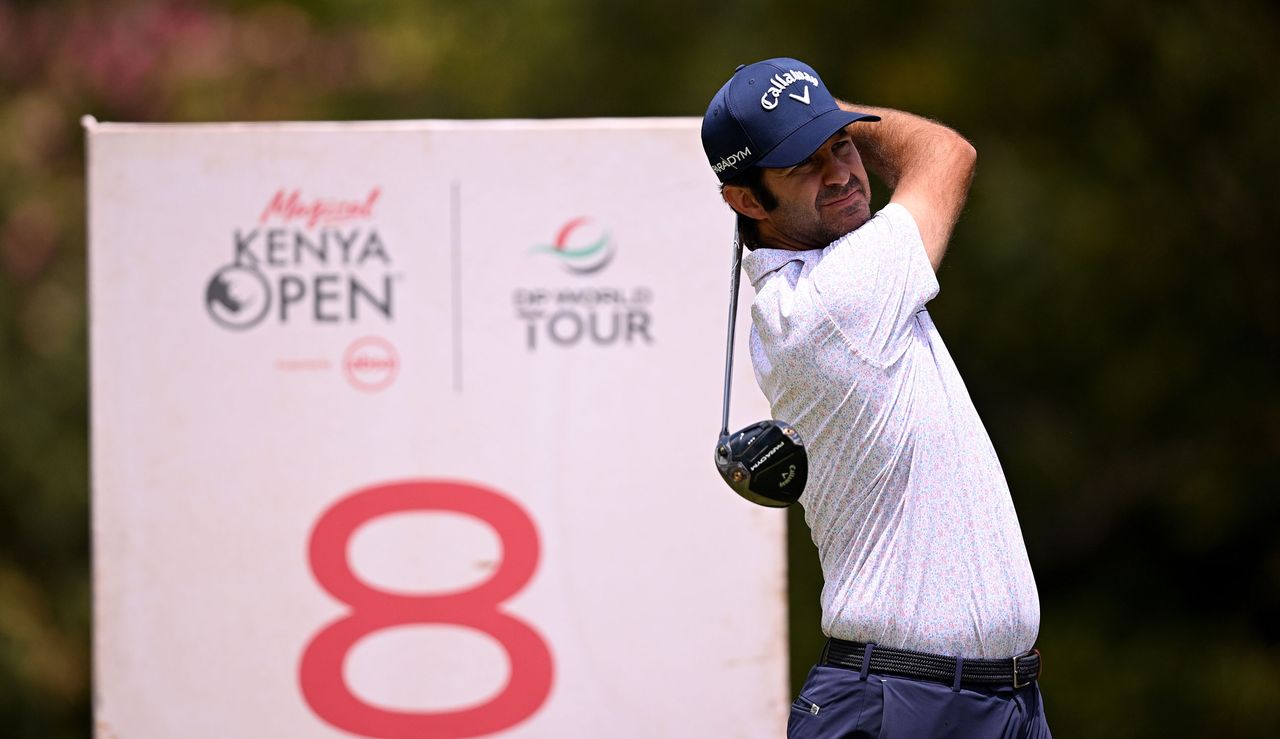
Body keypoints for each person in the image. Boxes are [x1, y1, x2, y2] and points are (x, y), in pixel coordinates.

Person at [701, 58, 1051, 738]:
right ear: (747, 200)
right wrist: (828, 106)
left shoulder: (838, 276)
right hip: (904, 703)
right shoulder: (836, 301)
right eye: (802, 162)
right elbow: (945, 152)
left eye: (842, 143)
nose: (840, 171)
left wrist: (804, 113)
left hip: (992, 699)